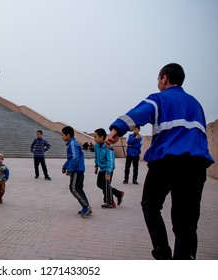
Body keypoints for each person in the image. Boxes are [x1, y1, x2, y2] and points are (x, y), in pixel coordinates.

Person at [106, 63, 214, 260]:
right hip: (196, 166)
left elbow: (139, 112)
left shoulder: (159, 98)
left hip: (167, 162)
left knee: (150, 204)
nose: (158, 82)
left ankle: (162, 252)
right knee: (186, 223)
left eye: (158, 79)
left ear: (164, 78)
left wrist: (116, 129)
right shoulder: (196, 104)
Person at [61, 126, 92, 217]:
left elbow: (74, 158)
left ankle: (86, 206)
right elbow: (70, 158)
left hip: (76, 171)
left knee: (73, 188)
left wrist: (69, 170)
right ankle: (86, 206)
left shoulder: (72, 144)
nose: (62, 136)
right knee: (78, 189)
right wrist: (64, 167)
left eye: (63, 135)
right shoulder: (72, 144)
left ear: (68, 135)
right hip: (78, 170)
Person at [93, 128, 124, 208]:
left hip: (108, 168)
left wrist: (108, 173)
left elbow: (110, 160)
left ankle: (110, 202)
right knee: (100, 184)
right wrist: (96, 166)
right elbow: (96, 156)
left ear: (102, 137)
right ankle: (118, 193)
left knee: (106, 185)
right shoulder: (96, 146)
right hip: (102, 168)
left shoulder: (108, 146)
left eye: (95, 137)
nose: (94, 138)